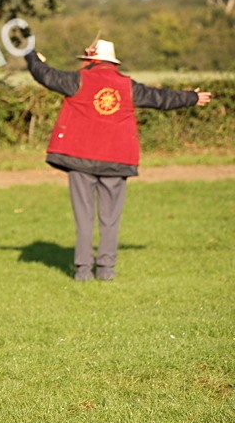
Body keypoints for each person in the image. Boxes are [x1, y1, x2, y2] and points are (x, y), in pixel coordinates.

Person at [26, 39, 211, 281]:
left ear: (91, 60)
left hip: (80, 160)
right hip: (117, 160)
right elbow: (161, 98)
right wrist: (191, 98)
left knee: (84, 219)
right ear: (112, 61)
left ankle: (82, 272)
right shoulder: (127, 85)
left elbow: (44, 75)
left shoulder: (77, 80)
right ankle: (106, 271)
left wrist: (30, 55)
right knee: (110, 220)